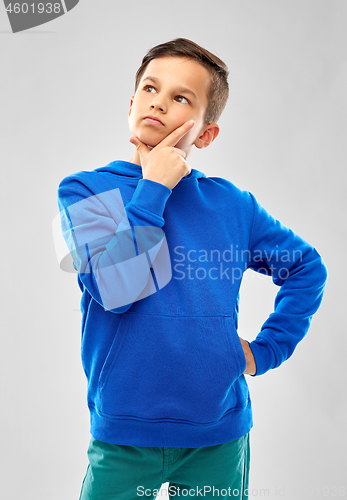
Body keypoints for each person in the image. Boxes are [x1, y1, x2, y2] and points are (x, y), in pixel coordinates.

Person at [57, 38, 328, 500]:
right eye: (150, 88)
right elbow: (116, 288)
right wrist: (154, 187)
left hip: (217, 435)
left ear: (205, 133)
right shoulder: (85, 190)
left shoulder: (231, 205)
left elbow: (306, 267)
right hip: (124, 434)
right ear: (131, 104)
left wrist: (267, 350)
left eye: (181, 98)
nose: (159, 102)